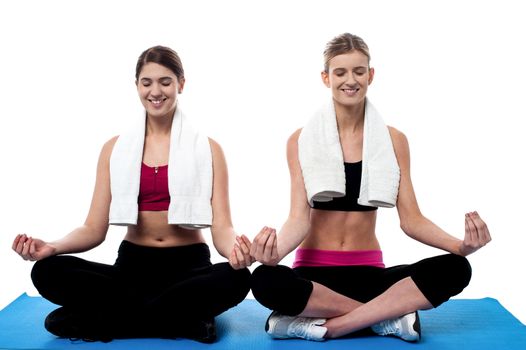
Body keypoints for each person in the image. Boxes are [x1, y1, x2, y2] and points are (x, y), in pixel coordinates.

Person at [250, 33, 491, 342]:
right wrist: (272, 255)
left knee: (457, 268)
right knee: (264, 279)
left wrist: (461, 247)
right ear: (326, 78)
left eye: (358, 71)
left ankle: (331, 326)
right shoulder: (301, 140)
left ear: (370, 75)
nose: (350, 80)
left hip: (370, 274)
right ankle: (383, 318)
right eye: (340, 72)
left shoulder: (393, 141)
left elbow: (412, 220)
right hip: (314, 278)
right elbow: (298, 219)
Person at [12, 45, 253, 343]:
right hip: (131, 269)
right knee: (47, 271)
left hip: (189, 267)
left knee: (237, 277)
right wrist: (52, 246)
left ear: (181, 84)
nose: (156, 91)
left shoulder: (209, 148)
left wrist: (237, 252)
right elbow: (93, 229)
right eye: (146, 82)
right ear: (136, 85)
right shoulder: (115, 149)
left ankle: (106, 321)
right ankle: (180, 321)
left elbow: (222, 228)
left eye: (165, 82)